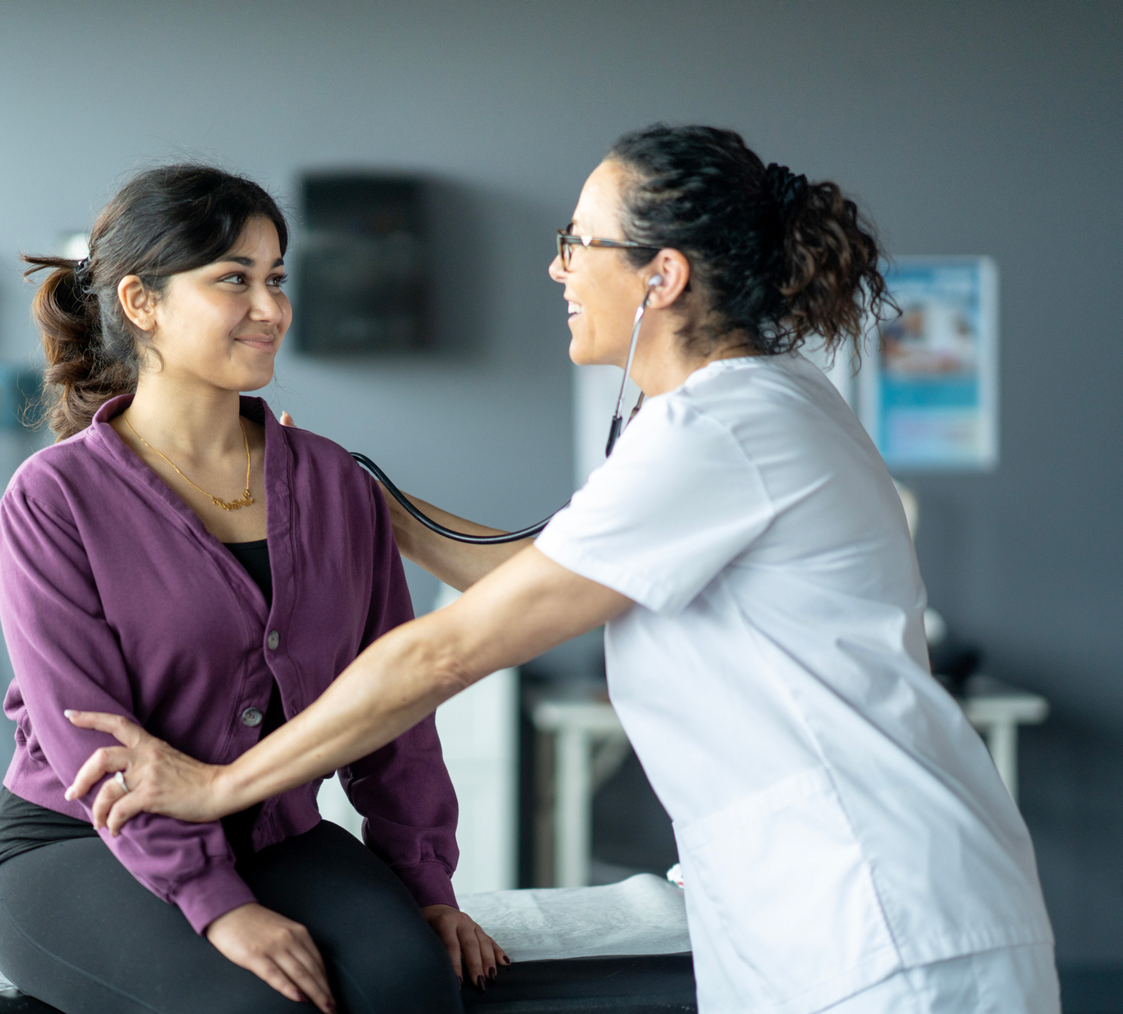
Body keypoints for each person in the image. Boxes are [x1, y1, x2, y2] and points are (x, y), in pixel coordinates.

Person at [62, 128, 1059, 1013]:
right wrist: (351, 492)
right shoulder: (741, 408)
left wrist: (218, 786)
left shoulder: (728, 429)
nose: (559, 269)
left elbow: (448, 650)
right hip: (814, 902)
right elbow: (537, 567)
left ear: (661, 278)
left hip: (880, 911)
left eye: (577, 242)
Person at [0, 164, 503, 1014]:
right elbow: (93, 749)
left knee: (416, 986)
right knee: (259, 1009)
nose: (272, 308)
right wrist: (218, 905)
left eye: (277, 279)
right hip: (87, 844)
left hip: (273, 832)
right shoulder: (54, 498)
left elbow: (394, 712)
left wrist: (428, 886)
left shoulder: (336, 483)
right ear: (142, 303)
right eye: (234, 279)